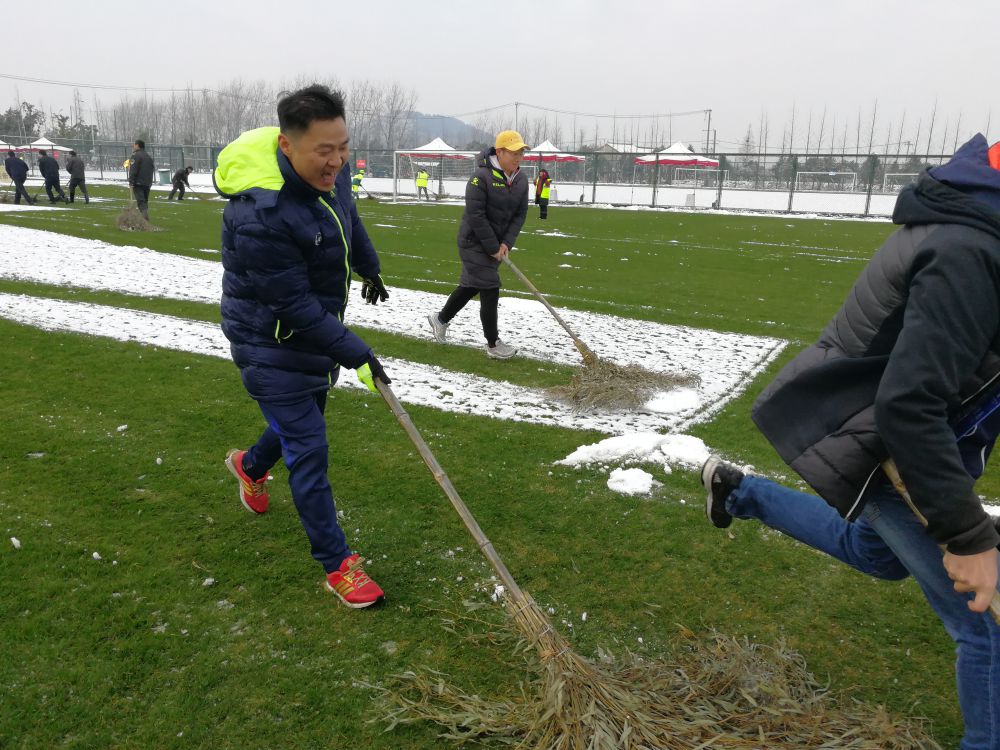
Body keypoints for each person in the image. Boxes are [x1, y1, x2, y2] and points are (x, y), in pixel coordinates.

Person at [701, 133, 1000, 750]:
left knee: (876, 554)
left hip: (912, 439)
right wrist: (969, 538)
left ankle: (739, 492)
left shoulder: (975, 225)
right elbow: (908, 404)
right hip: (886, 446)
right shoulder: (969, 248)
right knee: (987, 629)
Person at [215, 83, 391, 609]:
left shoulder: (330, 179)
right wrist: (355, 350)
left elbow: (348, 217)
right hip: (266, 343)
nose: (337, 160)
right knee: (309, 448)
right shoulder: (258, 216)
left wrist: (369, 266)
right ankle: (338, 566)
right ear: (288, 146)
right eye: (324, 150)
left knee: (297, 426)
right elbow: (290, 305)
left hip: (311, 336)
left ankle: (249, 466)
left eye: (343, 146)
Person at [427, 130, 529, 360]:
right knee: (490, 287)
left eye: (521, 152)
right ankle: (493, 344)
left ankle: (440, 319)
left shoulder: (521, 180)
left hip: (496, 245)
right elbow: (476, 215)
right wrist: (493, 246)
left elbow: (519, 215)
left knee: (472, 285)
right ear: (499, 152)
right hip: (474, 242)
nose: (518, 157)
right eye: (514, 152)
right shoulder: (480, 177)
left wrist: (506, 243)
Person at [127, 139, 155, 220]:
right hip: (148, 182)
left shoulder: (135, 156)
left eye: (134, 145)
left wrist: (131, 181)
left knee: (141, 201)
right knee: (145, 201)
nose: (133, 146)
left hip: (138, 182)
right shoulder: (148, 156)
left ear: (138, 145)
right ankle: (144, 217)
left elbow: (133, 169)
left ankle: (144, 218)